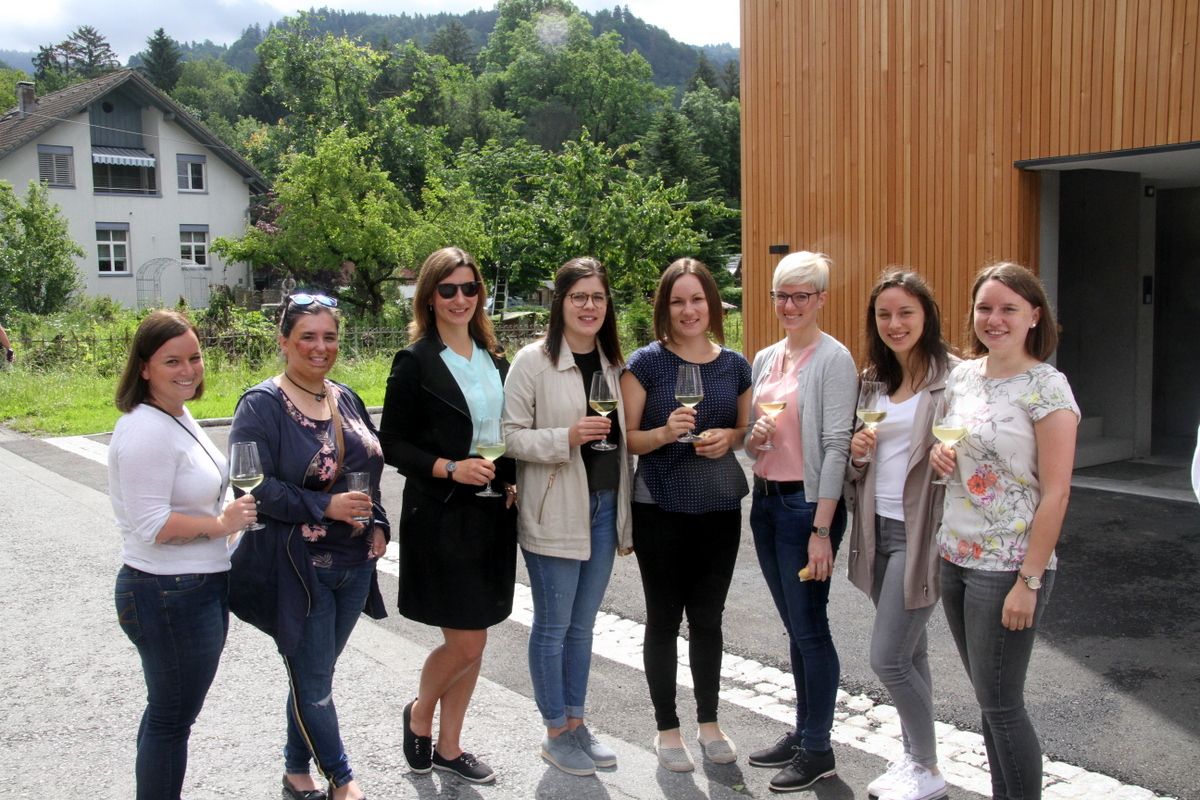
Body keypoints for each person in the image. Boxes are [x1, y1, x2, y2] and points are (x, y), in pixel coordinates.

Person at [228, 293, 390, 800]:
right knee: (314, 680)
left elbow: (370, 469)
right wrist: (326, 507)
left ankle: (296, 770)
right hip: (300, 566)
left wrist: (379, 521)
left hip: (355, 563)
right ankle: (343, 780)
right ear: (284, 341)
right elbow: (250, 486)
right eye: (307, 337)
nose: (321, 347)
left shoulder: (345, 397)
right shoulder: (261, 404)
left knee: (314, 674)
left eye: (330, 337)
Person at [930, 262, 1078, 800]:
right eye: (985, 307)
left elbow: (1057, 493)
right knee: (988, 700)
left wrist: (1029, 581)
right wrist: (941, 455)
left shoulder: (1047, 387)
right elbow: (955, 444)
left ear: (1034, 316)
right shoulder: (965, 376)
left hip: (1008, 566)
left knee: (1002, 704)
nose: (995, 319)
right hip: (955, 553)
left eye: (1009, 308)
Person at [380, 246, 518, 786]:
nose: (461, 298)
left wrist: (509, 480)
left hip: (491, 516)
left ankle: (450, 745)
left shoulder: (495, 357)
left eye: (469, 288)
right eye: (448, 289)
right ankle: (419, 713)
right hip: (441, 517)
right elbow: (392, 443)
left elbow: (506, 434)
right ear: (430, 297)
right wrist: (448, 468)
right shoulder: (414, 361)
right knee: (467, 641)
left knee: (475, 635)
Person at [109, 310, 258, 800]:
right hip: (168, 591)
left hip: (191, 586)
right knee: (171, 721)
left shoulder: (173, 414)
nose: (188, 370)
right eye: (172, 361)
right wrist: (221, 525)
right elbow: (152, 525)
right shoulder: (145, 430)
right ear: (144, 367)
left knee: (168, 716)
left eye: (194, 357)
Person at [620, 258, 751, 772]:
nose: (688, 310)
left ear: (712, 304)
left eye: (697, 299)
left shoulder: (735, 365)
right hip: (659, 506)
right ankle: (666, 728)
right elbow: (626, 439)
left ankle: (710, 723)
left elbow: (745, 431)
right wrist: (663, 433)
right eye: (678, 301)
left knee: (709, 619)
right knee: (663, 619)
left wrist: (728, 437)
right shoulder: (646, 363)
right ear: (665, 308)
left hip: (718, 507)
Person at [502, 257, 632, 776]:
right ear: (560, 302)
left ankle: (577, 723)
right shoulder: (532, 361)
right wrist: (567, 438)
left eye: (597, 297)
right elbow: (510, 437)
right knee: (553, 626)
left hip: (603, 506)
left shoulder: (612, 362)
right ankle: (555, 730)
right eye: (578, 296)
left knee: (582, 627)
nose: (589, 306)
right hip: (554, 508)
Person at [742, 251, 857, 793]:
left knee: (811, 628)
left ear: (821, 299)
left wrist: (821, 531)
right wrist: (754, 439)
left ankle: (819, 749)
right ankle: (803, 733)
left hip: (806, 509)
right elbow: (752, 440)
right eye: (781, 296)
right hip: (766, 503)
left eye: (801, 296)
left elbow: (836, 448)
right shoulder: (766, 357)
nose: (789, 306)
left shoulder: (834, 360)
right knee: (795, 625)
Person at [845, 270, 954, 800]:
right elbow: (859, 467)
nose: (895, 323)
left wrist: (953, 461)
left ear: (926, 315)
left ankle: (926, 767)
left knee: (887, 658)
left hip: (921, 533)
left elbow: (973, 454)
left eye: (906, 312)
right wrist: (857, 455)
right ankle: (915, 755)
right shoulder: (873, 381)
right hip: (877, 531)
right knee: (912, 655)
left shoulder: (953, 380)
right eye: (884, 314)